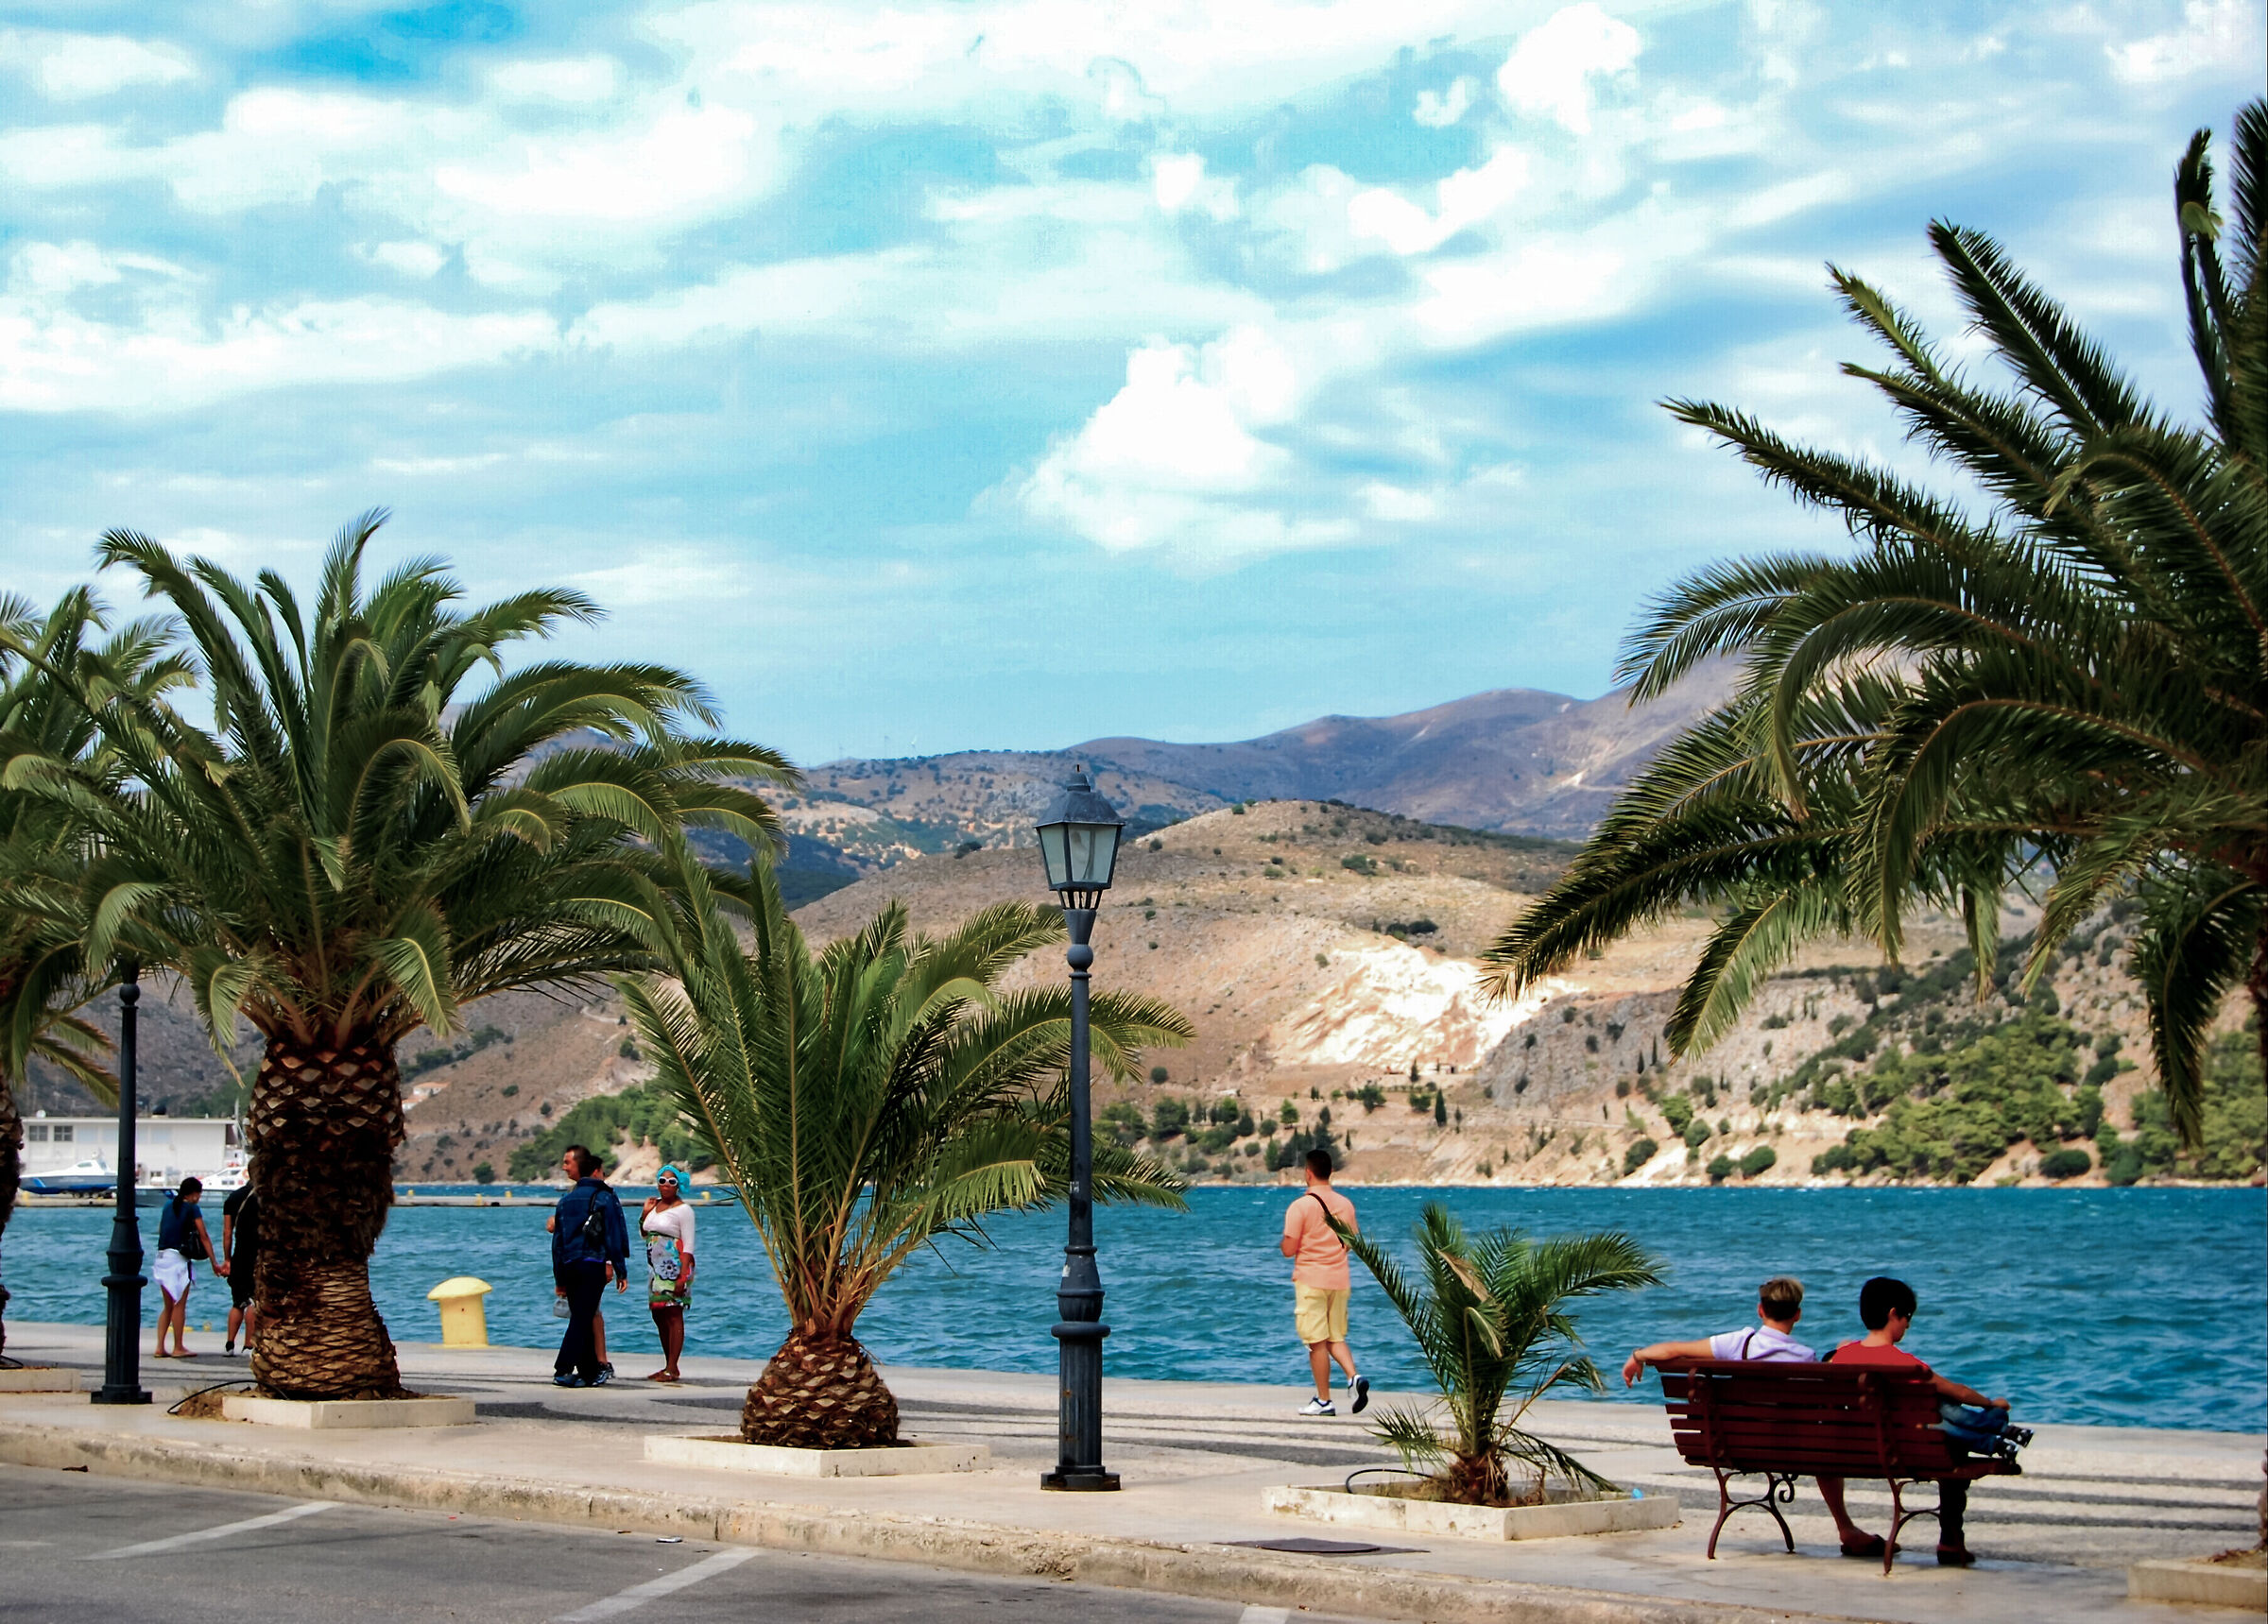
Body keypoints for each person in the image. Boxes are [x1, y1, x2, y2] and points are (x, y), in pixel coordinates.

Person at [1816, 1276, 2028, 1567]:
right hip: (1907, 1454)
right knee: (1955, 1436)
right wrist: (1992, 1404)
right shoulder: (1907, 1365)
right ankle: (1951, 1540)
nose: (1908, 1325)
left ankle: (1992, 1438)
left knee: (1944, 1425)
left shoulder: (1841, 1358)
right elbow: (1958, 1392)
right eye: (1907, 1317)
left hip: (1856, 1452)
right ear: (1893, 1314)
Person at [1280, 1148, 1367, 1418]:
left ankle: (1324, 1400)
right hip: (1340, 1279)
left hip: (1311, 1280)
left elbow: (1289, 1248)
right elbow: (1353, 1241)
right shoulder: (1346, 1204)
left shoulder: (1300, 1206)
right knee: (1335, 1337)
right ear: (1330, 1172)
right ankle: (1354, 1377)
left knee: (1316, 1342)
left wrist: (1287, 1244)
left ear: (1308, 1174)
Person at [1621, 1275, 1814, 1386]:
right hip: (1794, 1445)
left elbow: (1674, 1349)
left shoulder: (1739, 1342)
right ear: (1797, 1315)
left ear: (1760, 1310)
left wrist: (1639, 1355)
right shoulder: (1806, 1358)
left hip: (1736, 1440)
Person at [549, 1146, 627, 1388]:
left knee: (580, 1315)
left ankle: (588, 1371)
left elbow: (558, 1243)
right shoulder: (605, 1197)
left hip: (569, 1264)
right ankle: (562, 1368)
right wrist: (620, 1268)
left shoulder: (566, 1200)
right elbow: (614, 1235)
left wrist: (559, 1277)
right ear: (594, 1172)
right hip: (592, 1264)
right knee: (583, 1317)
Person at [152, 1177, 224, 1359]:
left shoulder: (168, 1206)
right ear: (193, 1194)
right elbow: (204, 1235)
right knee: (179, 1305)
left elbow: (162, 1229)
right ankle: (178, 1347)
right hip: (178, 1260)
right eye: (199, 1194)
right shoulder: (193, 1208)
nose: (199, 1198)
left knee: (167, 1305)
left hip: (162, 1258)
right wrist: (214, 1262)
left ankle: (160, 1347)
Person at [640, 1164, 697, 1382]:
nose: (666, 1185)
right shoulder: (654, 1207)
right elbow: (645, 1233)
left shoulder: (684, 1211)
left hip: (675, 1266)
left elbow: (689, 1245)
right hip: (655, 1269)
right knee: (658, 1313)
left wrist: (683, 1276)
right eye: (662, 1181)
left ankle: (673, 1367)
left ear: (679, 1185)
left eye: (671, 1182)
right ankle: (667, 1365)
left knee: (673, 1313)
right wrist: (644, 1213)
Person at [221, 1172, 261, 1357]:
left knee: (237, 1302)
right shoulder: (263, 1197)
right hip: (257, 1254)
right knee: (254, 1301)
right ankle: (248, 1345)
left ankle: (230, 1344)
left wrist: (227, 1258)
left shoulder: (233, 1198)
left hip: (239, 1254)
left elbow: (227, 1233)